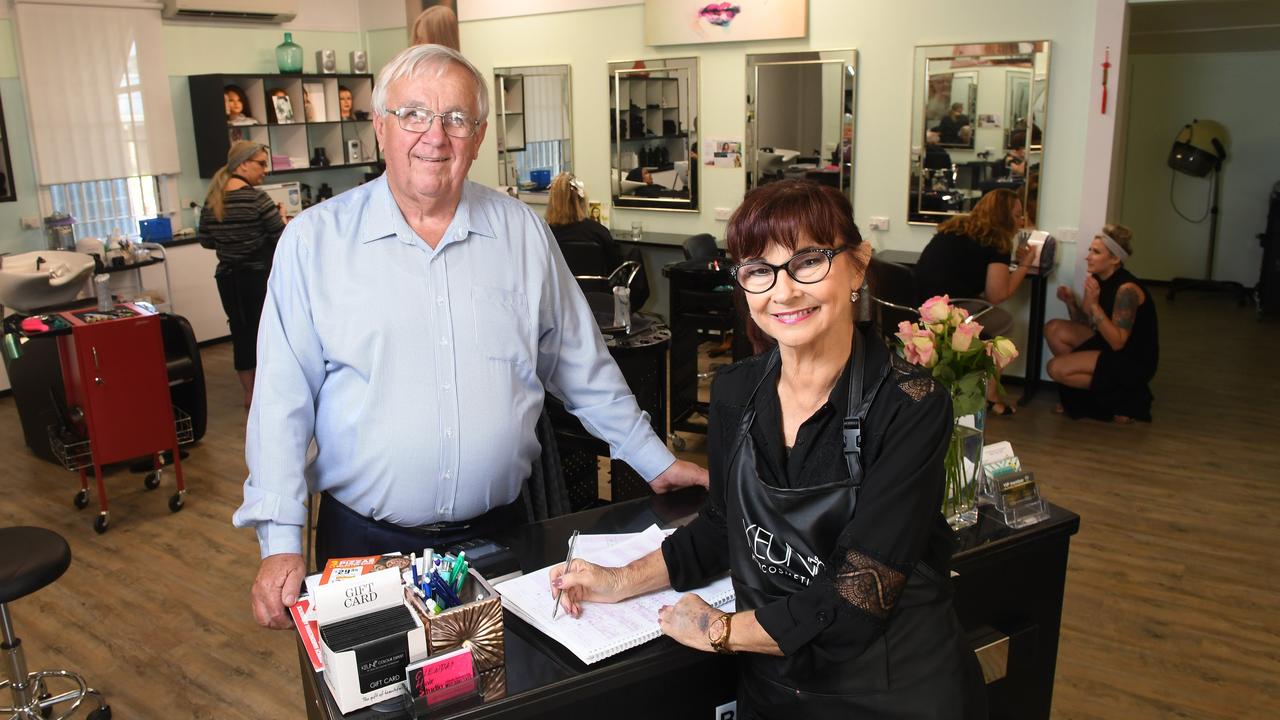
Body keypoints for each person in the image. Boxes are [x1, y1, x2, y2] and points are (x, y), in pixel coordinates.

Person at [233, 44, 707, 630]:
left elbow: (580, 366)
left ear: (479, 135)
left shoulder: (522, 233)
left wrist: (653, 460)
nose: (435, 136)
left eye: (456, 118)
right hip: (363, 545)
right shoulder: (313, 243)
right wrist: (279, 538)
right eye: (413, 115)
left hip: (502, 535)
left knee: (512, 695)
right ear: (380, 127)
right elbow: (281, 404)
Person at [552, 180, 984, 718]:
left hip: (889, 695)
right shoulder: (737, 391)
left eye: (808, 261)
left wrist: (717, 629)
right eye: (759, 269)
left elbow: (855, 601)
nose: (783, 292)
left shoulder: (910, 407)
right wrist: (618, 580)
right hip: (774, 691)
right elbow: (721, 528)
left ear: (858, 264)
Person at [913, 188, 1031, 414]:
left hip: (923, 305)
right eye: (1017, 215)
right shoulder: (997, 242)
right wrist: (1025, 265)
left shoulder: (955, 228)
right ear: (1004, 217)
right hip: (950, 309)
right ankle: (991, 396)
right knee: (1003, 322)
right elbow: (997, 295)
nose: (1021, 220)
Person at [197, 141, 287, 411]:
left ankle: (249, 393)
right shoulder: (257, 199)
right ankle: (267, 392)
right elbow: (280, 238)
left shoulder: (214, 199)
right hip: (257, 278)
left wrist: (231, 242)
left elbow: (205, 239)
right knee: (266, 333)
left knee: (240, 332)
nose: (265, 170)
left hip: (227, 279)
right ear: (243, 164)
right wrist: (281, 218)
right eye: (260, 163)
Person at [1046, 225, 1158, 422]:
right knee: (1054, 329)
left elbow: (1118, 342)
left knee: (1055, 368)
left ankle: (1127, 400)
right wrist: (1071, 302)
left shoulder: (1127, 290)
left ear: (1115, 259)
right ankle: (1083, 394)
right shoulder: (1098, 278)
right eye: (1090, 250)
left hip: (1131, 358)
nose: (1088, 256)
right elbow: (1087, 324)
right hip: (1107, 343)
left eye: (1096, 252)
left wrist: (1096, 306)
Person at [545, 172, 623, 275]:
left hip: (559, 291)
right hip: (596, 289)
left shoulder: (544, 234)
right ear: (581, 201)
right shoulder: (598, 232)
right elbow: (615, 268)